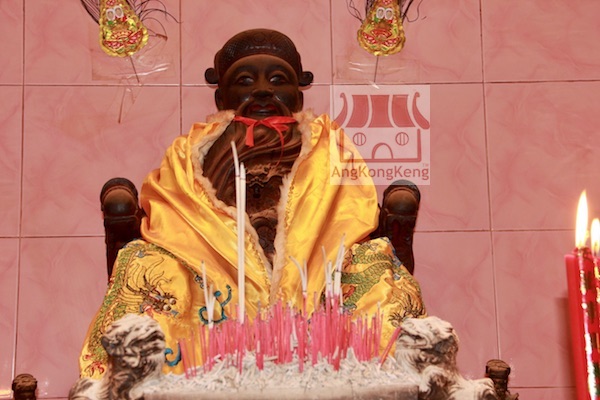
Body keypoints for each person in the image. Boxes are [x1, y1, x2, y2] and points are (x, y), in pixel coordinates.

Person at [79, 28, 426, 378]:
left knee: (372, 265)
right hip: (213, 267)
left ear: (298, 93)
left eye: (278, 80)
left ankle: (391, 381)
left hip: (315, 270)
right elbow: (173, 211)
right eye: (245, 81)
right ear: (221, 97)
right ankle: (135, 382)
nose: (262, 90)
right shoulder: (192, 149)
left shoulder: (329, 144)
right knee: (149, 264)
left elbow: (350, 211)